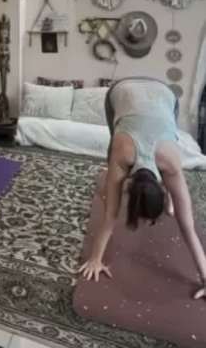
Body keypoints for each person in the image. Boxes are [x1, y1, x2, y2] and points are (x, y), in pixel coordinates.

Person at [79, 76, 206, 300]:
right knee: (116, 144)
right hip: (121, 91)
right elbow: (111, 216)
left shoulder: (172, 163)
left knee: (164, 135)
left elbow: (187, 226)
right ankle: (116, 183)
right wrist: (95, 259)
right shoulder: (121, 154)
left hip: (165, 95)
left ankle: (170, 200)